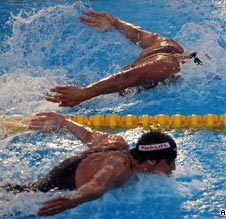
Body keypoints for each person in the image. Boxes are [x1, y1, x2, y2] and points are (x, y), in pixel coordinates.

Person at [2, 112, 177, 216]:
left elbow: (87, 134)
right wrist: (74, 199)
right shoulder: (120, 166)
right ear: (151, 161)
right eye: (169, 162)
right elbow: (98, 184)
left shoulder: (115, 142)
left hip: (31, 190)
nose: (173, 168)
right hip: (33, 203)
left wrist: (64, 122)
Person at [46, 10, 202, 107]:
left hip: (112, 90)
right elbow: (129, 76)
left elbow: (139, 34)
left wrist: (116, 23)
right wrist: (86, 92)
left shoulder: (168, 45)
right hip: (111, 95)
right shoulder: (167, 65)